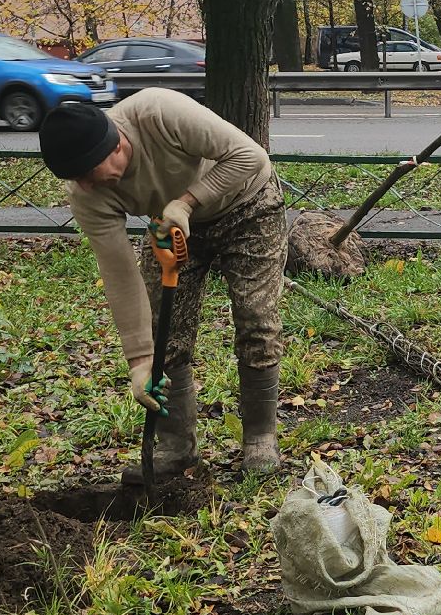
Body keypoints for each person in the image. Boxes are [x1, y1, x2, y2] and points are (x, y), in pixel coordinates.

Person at [38, 88, 287, 482]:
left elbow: (250, 155)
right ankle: (176, 447)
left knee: (256, 316)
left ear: (116, 145)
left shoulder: (159, 112)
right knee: (163, 331)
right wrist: (139, 362)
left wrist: (187, 201)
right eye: (76, 179)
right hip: (172, 228)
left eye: (88, 173)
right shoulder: (87, 196)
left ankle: (260, 436)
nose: (85, 186)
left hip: (248, 205)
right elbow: (119, 275)